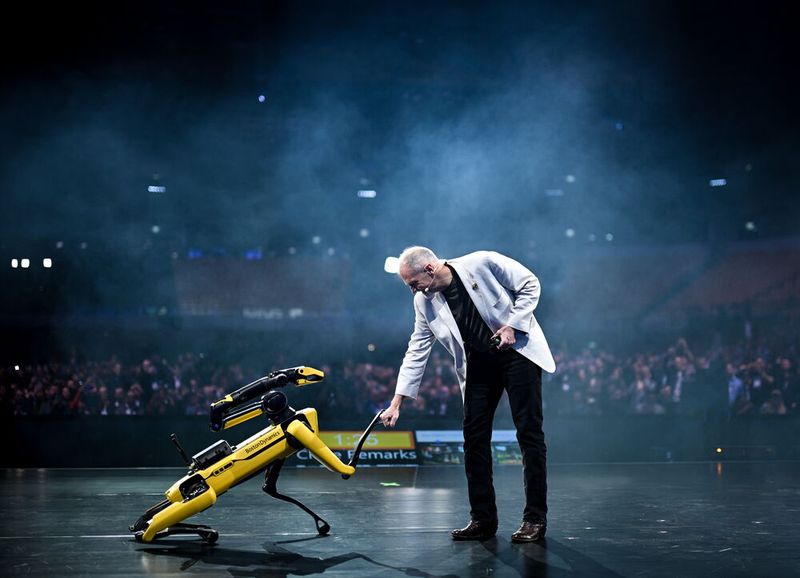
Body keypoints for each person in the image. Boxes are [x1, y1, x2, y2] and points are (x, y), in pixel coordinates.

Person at [381, 246, 556, 542]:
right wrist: (397, 402)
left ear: (430, 269)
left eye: (413, 283)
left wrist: (513, 325)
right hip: (478, 364)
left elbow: (530, 283)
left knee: (529, 434)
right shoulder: (424, 302)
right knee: (474, 439)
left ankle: (534, 519)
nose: (413, 290)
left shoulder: (481, 262)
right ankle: (483, 519)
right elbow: (417, 349)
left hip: (516, 354)